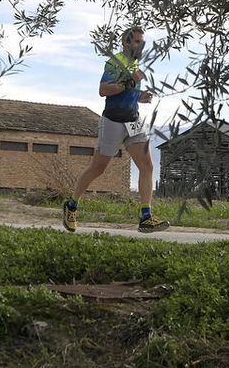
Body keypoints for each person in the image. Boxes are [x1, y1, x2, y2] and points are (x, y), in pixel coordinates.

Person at [64, 27, 170, 233]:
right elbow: (103, 90)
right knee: (98, 168)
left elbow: (125, 92)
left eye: (142, 41)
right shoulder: (115, 62)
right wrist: (130, 82)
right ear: (126, 44)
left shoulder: (135, 63)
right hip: (113, 121)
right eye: (137, 41)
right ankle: (71, 206)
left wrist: (140, 96)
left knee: (147, 166)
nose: (141, 45)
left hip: (134, 120)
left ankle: (145, 217)